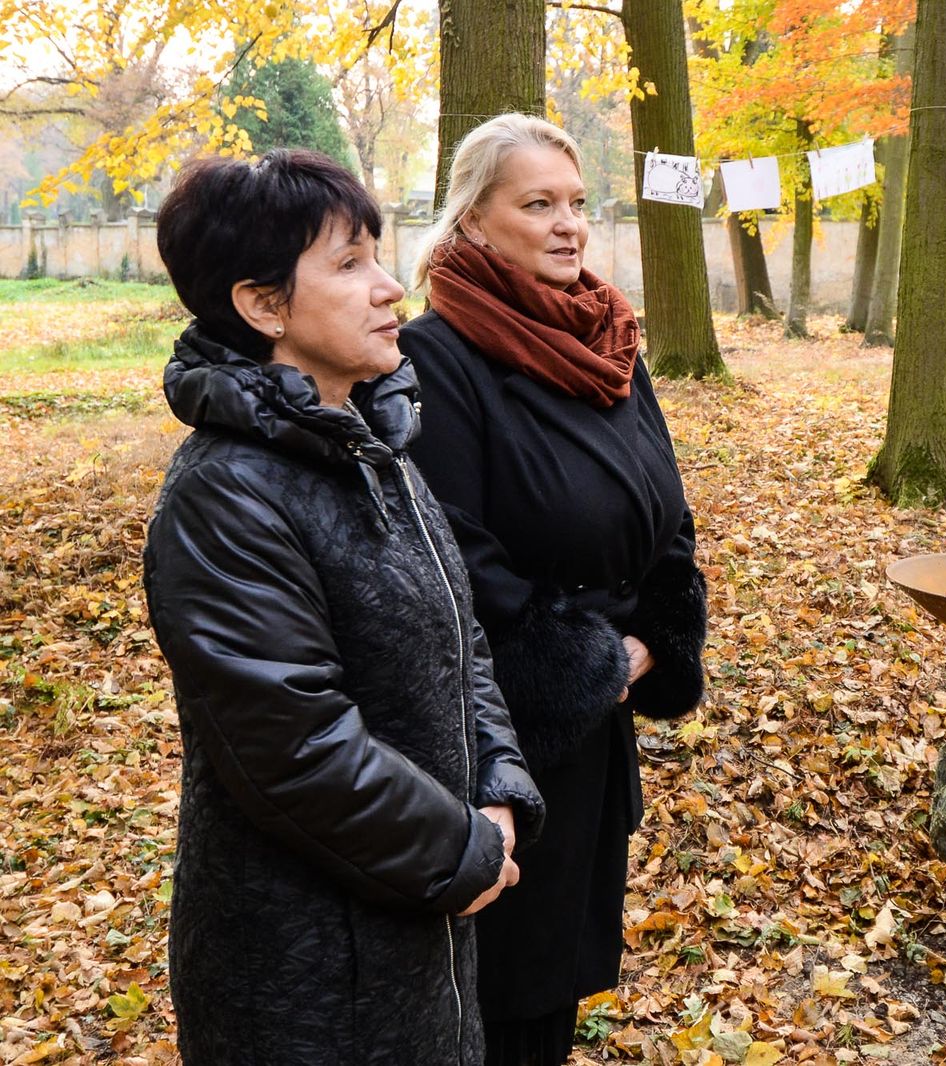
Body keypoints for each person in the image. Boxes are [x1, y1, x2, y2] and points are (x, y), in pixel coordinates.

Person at [144, 149, 545, 1065]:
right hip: (307, 970)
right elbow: (296, 747)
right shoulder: (225, 495)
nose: (390, 286)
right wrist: (465, 850)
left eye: (378, 254)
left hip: (424, 926)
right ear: (264, 305)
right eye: (350, 263)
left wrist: (497, 787)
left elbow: (462, 640)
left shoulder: (373, 445)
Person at [400, 114, 708, 1065]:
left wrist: (659, 635)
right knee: (501, 992)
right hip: (501, 742)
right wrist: (586, 660)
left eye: (577, 202)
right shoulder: (436, 357)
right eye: (538, 204)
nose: (569, 225)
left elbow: (667, 511)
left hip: (599, 730)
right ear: (473, 221)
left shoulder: (610, 344)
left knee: (559, 986)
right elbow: (452, 551)